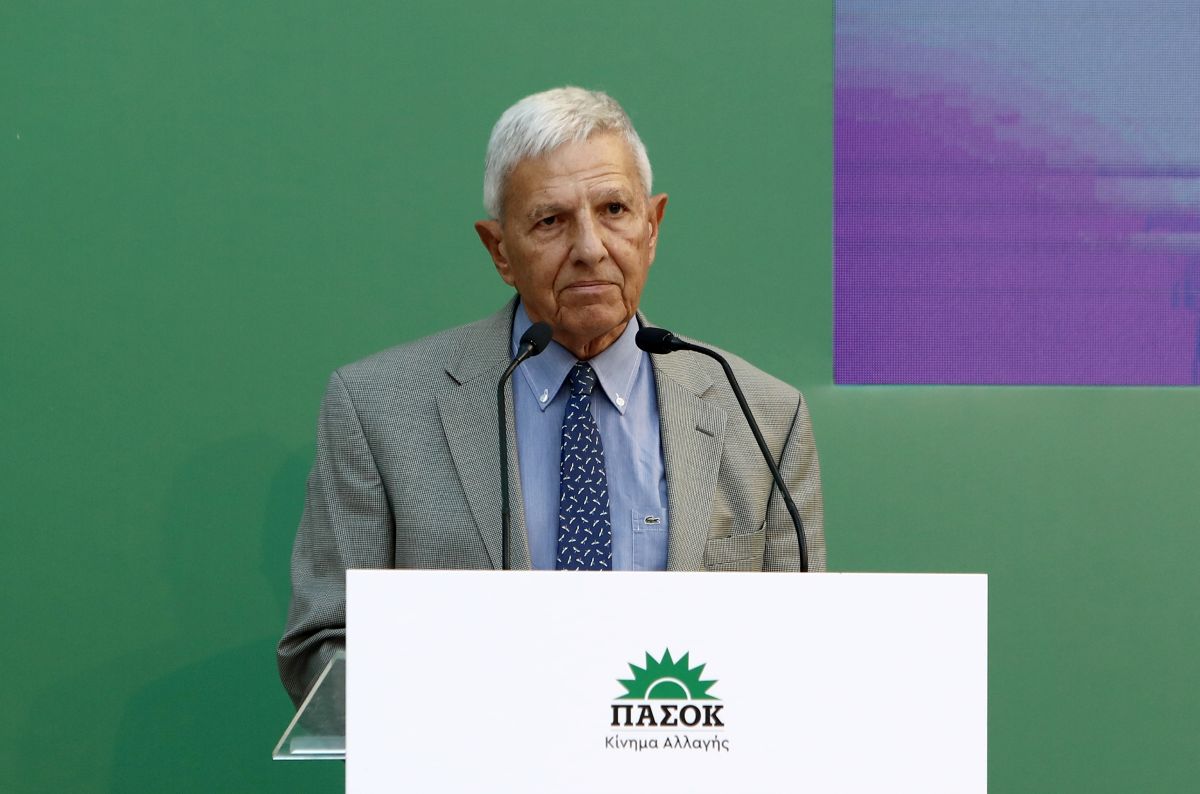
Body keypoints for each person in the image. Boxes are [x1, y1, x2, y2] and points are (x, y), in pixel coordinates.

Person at [277, 87, 826, 705]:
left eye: (614, 209)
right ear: (499, 251)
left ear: (652, 227)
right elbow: (324, 644)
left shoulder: (762, 416)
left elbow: (801, 653)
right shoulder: (379, 408)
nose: (590, 248)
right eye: (551, 221)